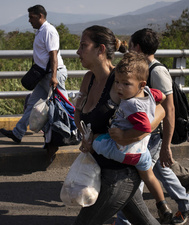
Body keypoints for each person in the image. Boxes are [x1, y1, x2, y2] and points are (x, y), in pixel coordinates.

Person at [73, 25, 165, 225]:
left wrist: (132, 135)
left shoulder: (121, 80)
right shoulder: (88, 79)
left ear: (101, 49)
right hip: (100, 168)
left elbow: (159, 110)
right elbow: (83, 120)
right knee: (144, 221)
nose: (78, 52)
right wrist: (87, 139)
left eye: (83, 45)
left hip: (119, 175)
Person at [113, 28, 189, 225]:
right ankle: (187, 205)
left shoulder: (157, 71)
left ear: (137, 47)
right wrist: (119, 46)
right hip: (145, 133)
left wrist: (166, 146)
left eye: (131, 45)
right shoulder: (141, 65)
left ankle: (124, 221)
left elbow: (169, 110)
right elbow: (129, 56)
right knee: (160, 170)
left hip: (153, 134)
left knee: (136, 178)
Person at [92, 52, 173, 223]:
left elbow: (144, 127)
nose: (119, 88)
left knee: (96, 142)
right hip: (143, 152)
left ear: (141, 84)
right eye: (117, 82)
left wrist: (123, 135)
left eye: (126, 84)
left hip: (125, 150)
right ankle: (162, 203)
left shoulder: (131, 104)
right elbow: (163, 96)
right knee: (150, 176)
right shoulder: (150, 92)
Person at [0, 4, 68, 143]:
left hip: (52, 75)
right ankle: (18, 133)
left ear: (40, 16)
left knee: (62, 105)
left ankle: (71, 132)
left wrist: (54, 77)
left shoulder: (49, 31)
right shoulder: (41, 31)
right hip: (44, 75)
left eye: (32, 17)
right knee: (32, 104)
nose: (29, 20)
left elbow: (53, 55)